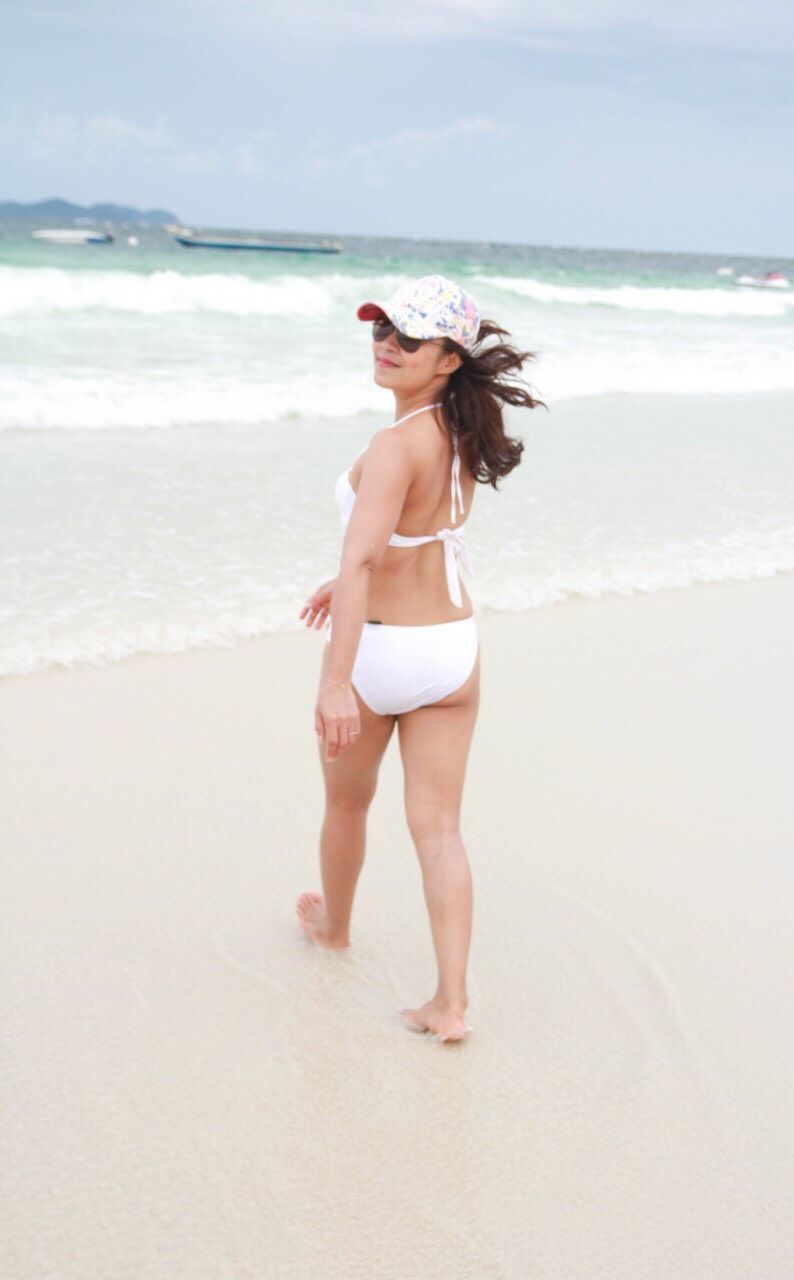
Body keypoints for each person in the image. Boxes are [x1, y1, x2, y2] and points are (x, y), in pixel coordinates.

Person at [296, 274, 543, 1044]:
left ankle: (334, 929)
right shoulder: (460, 430)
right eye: (380, 331)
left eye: (408, 337)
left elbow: (368, 555)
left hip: (379, 653)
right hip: (450, 649)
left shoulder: (393, 443)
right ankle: (450, 1003)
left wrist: (336, 681)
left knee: (347, 803)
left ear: (446, 358)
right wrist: (348, 579)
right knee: (439, 830)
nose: (386, 345)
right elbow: (418, 532)